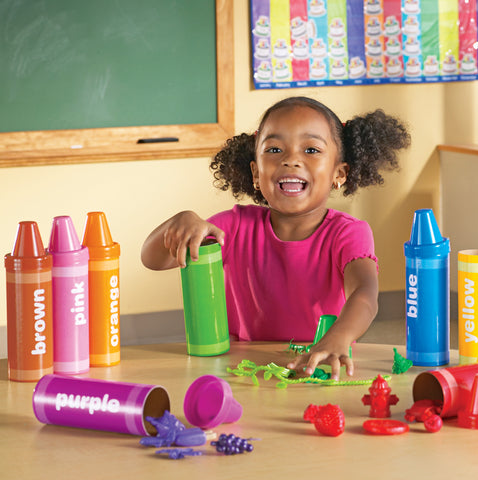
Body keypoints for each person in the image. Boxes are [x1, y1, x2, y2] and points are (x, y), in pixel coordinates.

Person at [141, 96, 410, 380]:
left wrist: (338, 338)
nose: (291, 159)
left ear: (338, 173)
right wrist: (180, 222)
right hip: (246, 368)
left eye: (310, 149)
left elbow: (365, 294)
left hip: (320, 365)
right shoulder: (232, 226)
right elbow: (152, 258)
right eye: (274, 149)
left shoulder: (348, 232)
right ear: (256, 173)